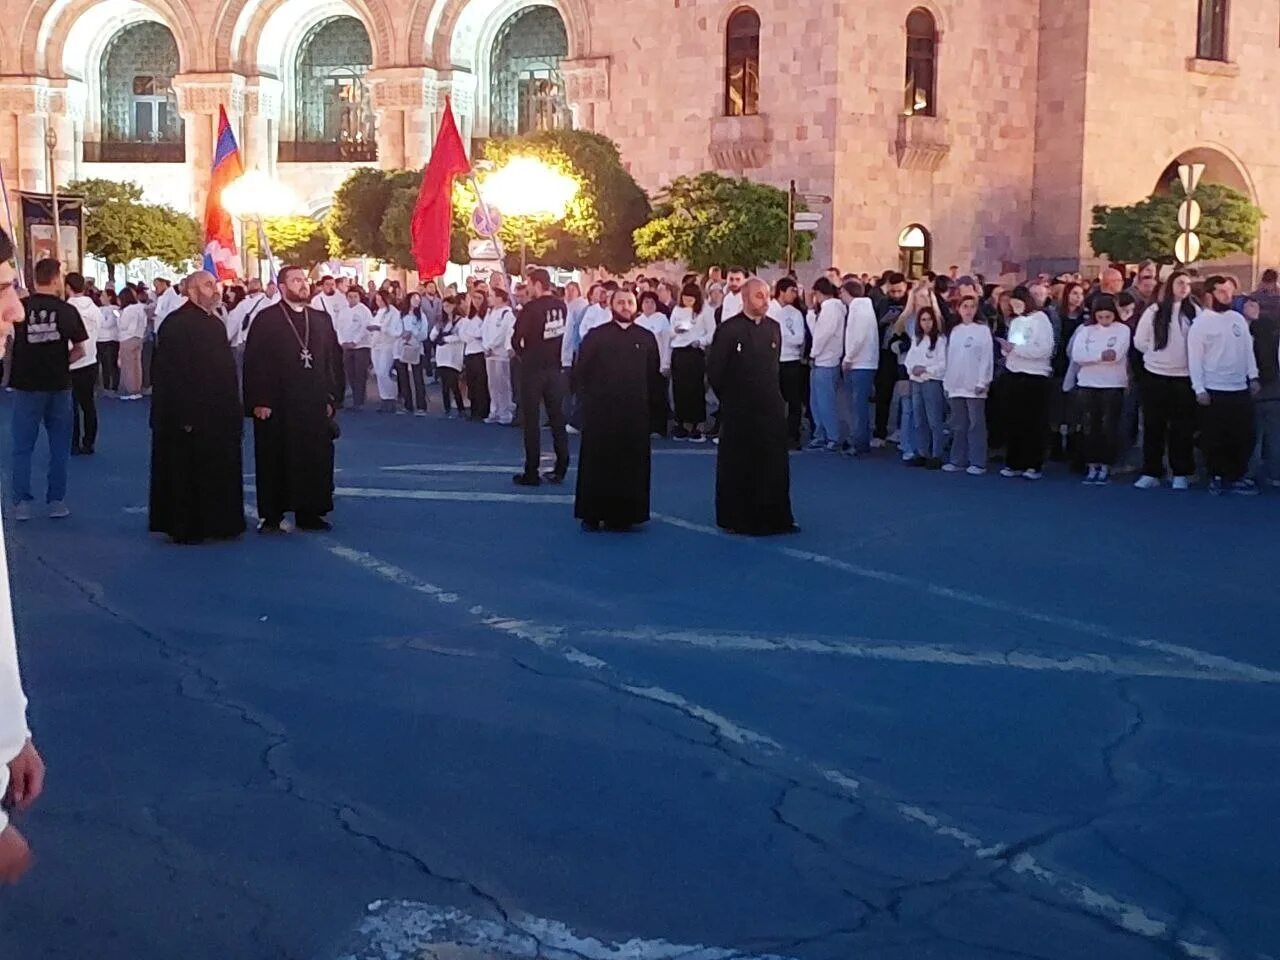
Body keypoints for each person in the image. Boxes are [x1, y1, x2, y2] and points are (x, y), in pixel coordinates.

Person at [242, 264, 344, 533]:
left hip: (312, 403)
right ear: (283, 287)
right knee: (275, 457)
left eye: (304, 280)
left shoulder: (321, 319)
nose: (303, 284)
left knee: (315, 457)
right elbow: (254, 362)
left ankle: (310, 511)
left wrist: (331, 397)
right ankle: (272, 515)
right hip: (278, 403)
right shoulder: (266, 319)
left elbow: (331, 360)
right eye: (296, 280)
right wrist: (258, 400)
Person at [148, 271, 245, 544]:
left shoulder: (214, 323)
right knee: (186, 471)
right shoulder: (176, 325)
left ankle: (220, 522)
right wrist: (183, 415)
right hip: (188, 415)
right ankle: (186, 526)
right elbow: (170, 375)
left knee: (218, 468)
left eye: (215, 285)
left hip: (219, 413)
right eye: (207, 285)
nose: (215, 290)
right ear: (191, 291)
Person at [706, 277, 797, 535]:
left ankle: (776, 517)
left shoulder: (773, 328)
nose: (765, 301)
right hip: (739, 409)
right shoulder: (729, 329)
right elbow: (715, 370)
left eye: (767, 296)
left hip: (769, 407)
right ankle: (739, 518)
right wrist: (731, 400)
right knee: (739, 464)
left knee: (773, 463)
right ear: (745, 298)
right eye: (759, 296)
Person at [574, 290, 664, 532]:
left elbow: (652, 376)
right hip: (601, 412)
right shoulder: (596, 336)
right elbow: (581, 371)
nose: (626, 306)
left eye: (629, 302)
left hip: (634, 413)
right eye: (620, 302)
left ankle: (626, 514)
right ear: (611, 305)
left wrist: (654, 414)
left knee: (630, 463)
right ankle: (592, 513)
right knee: (597, 462)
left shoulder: (646, 338)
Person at [8, 258, 88, 520]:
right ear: (56, 279)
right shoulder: (67, 311)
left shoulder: (19, 309)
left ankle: (21, 502)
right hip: (58, 384)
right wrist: (63, 364)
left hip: (26, 385)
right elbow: (80, 348)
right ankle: (56, 500)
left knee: (22, 446)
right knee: (59, 445)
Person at [1190, 276, 1261, 495]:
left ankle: (1236, 475)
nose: (1226, 296)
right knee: (1214, 436)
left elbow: (1247, 349)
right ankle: (1216, 475)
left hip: (1239, 387)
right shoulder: (1201, 323)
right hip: (1214, 389)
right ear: (1210, 295)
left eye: (1229, 291)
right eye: (1221, 292)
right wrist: (1199, 388)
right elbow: (1195, 357)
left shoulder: (1237, 319)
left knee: (1242, 435)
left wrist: (1253, 376)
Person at [1133, 271, 1200, 490]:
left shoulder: (1195, 312)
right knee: (1154, 426)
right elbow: (1140, 341)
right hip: (1156, 376)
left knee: (1182, 428)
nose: (1184, 287)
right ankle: (1151, 471)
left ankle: (1181, 472)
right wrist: (1156, 357)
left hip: (1184, 378)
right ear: (1171, 285)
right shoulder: (1154, 311)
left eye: (1188, 284)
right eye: (1180, 283)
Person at [511, 269, 570, 485]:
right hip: (554, 368)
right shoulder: (561, 306)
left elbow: (517, 338)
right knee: (557, 419)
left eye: (528, 283)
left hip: (533, 369)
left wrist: (522, 354)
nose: (527, 288)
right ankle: (561, 465)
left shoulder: (531, 308)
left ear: (537, 284)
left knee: (532, 421)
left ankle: (532, 471)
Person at [1070, 295, 1130, 486]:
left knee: (1108, 427)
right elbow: (1077, 355)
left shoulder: (1123, 330)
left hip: (1112, 384)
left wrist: (1092, 356)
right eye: (1100, 317)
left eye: (1108, 317)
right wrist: (1099, 356)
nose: (1104, 321)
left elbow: (1116, 355)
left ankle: (1106, 464)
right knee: (1090, 426)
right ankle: (1091, 464)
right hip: (1088, 384)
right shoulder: (1085, 331)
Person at [997, 286, 1055, 480]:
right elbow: (1014, 347)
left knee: (1033, 422)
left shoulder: (1041, 319)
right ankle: (1014, 461)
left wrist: (1016, 349)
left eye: (1019, 304)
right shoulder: (1016, 322)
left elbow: (1044, 350)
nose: (1016, 308)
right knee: (1014, 420)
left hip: (1035, 375)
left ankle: (1033, 463)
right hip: (1015, 373)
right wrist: (1007, 350)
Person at [943, 295, 994, 474]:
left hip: (975, 385)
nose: (968, 310)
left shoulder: (982, 330)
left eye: (972, 306)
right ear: (959, 309)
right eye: (965, 306)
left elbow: (987, 357)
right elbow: (950, 357)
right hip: (956, 384)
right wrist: (947, 383)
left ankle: (977, 461)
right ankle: (958, 459)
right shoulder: (955, 331)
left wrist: (983, 380)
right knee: (958, 424)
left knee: (976, 424)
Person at [806, 277, 846, 452]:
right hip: (825, 359)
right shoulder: (830, 310)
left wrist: (814, 353)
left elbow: (822, 335)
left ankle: (832, 436)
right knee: (817, 400)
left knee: (825, 401)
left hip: (825, 360)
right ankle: (821, 433)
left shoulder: (831, 310)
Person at [840, 279, 879, 456]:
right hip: (864, 361)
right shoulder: (863, 307)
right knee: (858, 404)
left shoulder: (858, 309)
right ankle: (858, 438)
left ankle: (860, 441)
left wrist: (849, 357)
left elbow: (859, 336)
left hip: (860, 363)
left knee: (858, 405)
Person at [905, 306, 947, 468]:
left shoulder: (941, 340)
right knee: (918, 419)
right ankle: (922, 452)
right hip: (916, 382)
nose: (927, 323)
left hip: (932, 382)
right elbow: (910, 359)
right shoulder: (917, 339)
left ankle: (936, 454)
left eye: (929, 320)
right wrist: (913, 370)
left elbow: (942, 364)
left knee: (934, 420)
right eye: (923, 320)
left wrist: (926, 370)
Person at [65, 272, 102, 456]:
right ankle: (89, 442)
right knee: (89, 405)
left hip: (72, 361)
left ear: (67, 287)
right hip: (91, 360)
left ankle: (73, 442)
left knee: (71, 406)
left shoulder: (67, 308)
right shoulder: (95, 308)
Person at [768, 278, 806, 449]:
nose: (795, 294)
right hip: (772, 360)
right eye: (792, 290)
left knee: (793, 400)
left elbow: (799, 338)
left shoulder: (795, 313)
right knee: (772, 400)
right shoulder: (769, 310)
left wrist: (782, 336)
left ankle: (793, 434)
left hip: (791, 360)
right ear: (781, 291)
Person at [635, 291, 673, 437]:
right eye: (646, 302)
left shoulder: (662, 319)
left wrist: (665, 363)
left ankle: (659, 427)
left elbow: (666, 343)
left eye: (651, 302)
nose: (649, 305)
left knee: (658, 395)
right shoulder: (638, 321)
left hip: (658, 361)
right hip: (642, 363)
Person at [482, 287, 517, 425]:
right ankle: (494, 410)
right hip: (489, 353)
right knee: (492, 384)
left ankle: (505, 412)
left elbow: (503, 332)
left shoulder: (507, 314)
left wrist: (491, 345)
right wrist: (486, 346)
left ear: (500, 298)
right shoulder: (490, 312)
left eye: (491, 296)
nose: (489, 298)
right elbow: (484, 330)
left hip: (500, 353)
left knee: (503, 383)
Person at [340, 288, 374, 411]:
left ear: (359, 297)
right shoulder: (343, 311)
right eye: (350, 296)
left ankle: (359, 401)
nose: (352, 299)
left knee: (360, 373)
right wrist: (342, 341)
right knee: (350, 373)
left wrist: (355, 341)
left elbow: (365, 328)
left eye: (355, 296)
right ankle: (355, 396)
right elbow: (339, 327)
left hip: (361, 346)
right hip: (346, 346)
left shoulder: (364, 311)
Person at [430, 299, 466, 417]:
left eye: (449, 306)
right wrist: (437, 333)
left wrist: (445, 339)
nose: (446, 308)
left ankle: (460, 408)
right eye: (444, 306)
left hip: (453, 356)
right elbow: (432, 336)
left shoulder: (461, 321)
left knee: (453, 383)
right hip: (442, 356)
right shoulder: (441, 322)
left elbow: (461, 336)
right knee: (444, 384)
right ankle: (447, 408)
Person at [459, 286, 490, 422]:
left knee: (481, 383)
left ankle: (484, 410)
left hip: (480, 353)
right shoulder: (468, 317)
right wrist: (472, 334)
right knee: (471, 382)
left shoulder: (487, 316)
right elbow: (463, 335)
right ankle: (474, 410)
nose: (476, 301)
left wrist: (472, 334)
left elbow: (482, 333)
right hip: (469, 352)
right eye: (474, 298)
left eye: (479, 298)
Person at [369, 289, 402, 414]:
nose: (379, 302)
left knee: (384, 371)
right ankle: (384, 398)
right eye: (377, 300)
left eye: (381, 300)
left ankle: (391, 397)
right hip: (376, 345)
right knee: (378, 372)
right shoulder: (378, 312)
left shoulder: (393, 312)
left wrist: (381, 328)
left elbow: (395, 331)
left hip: (387, 346)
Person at [116, 287, 147, 400]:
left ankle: (129, 391)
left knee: (127, 366)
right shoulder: (140, 307)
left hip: (127, 339)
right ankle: (137, 389)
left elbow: (122, 326)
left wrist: (118, 317)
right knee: (137, 366)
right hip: (138, 338)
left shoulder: (128, 310)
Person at [97, 287, 121, 395]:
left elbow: (110, 323)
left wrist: (100, 322)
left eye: (103, 295)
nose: (101, 298)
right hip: (100, 339)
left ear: (110, 297)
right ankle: (106, 386)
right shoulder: (99, 309)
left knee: (112, 364)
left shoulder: (116, 309)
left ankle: (114, 386)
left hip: (111, 339)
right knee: (104, 364)